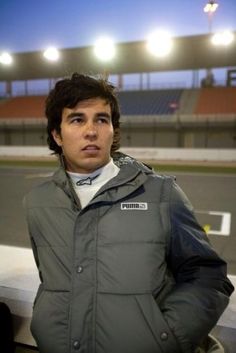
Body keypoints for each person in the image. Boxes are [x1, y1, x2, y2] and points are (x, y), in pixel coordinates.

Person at [24, 73, 234, 353]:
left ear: (113, 129)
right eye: (77, 119)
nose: (91, 130)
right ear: (57, 135)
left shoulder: (161, 193)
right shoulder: (37, 202)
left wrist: (166, 339)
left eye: (101, 119)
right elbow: (50, 279)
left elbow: (209, 276)